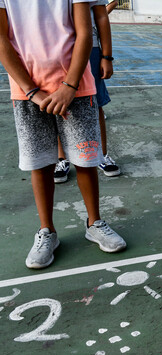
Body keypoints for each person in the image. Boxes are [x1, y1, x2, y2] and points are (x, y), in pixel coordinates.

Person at [0, 0, 127, 269]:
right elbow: (2, 37)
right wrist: (31, 90)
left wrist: (69, 85)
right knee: (40, 163)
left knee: (86, 159)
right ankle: (47, 231)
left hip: (76, 86)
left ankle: (94, 222)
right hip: (27, 89)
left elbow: (84, 31)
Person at [54, 0, 121, 184]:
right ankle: (62, 158)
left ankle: (102, 155)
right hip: (55, 46)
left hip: (90, 47)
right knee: (57, 103)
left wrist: (106, 56)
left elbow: (101, 14)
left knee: (95, 103)